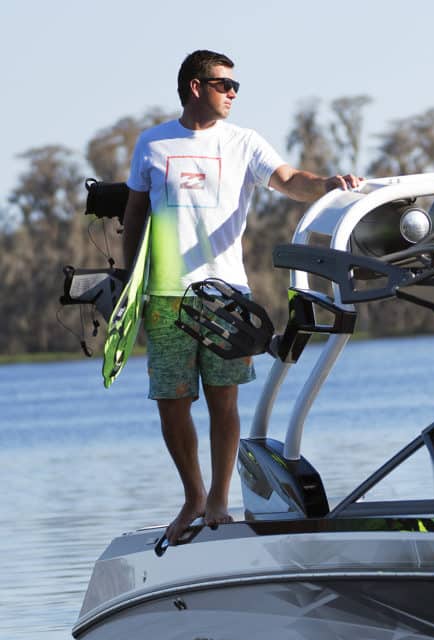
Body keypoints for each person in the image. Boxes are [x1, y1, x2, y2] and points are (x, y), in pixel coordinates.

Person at [121, 50, 361, 545]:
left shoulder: (243, 142)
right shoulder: (152, 144)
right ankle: (192, 494)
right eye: (224, 84)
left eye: (235, 86)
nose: (233, 93)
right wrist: (127, 280)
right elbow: (134, 215)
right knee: (171, 402)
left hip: (226, 293)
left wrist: (328, 184)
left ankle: (218, 500)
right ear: (195, 86)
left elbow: (291, 180)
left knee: (223, 401)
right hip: (167, 295)